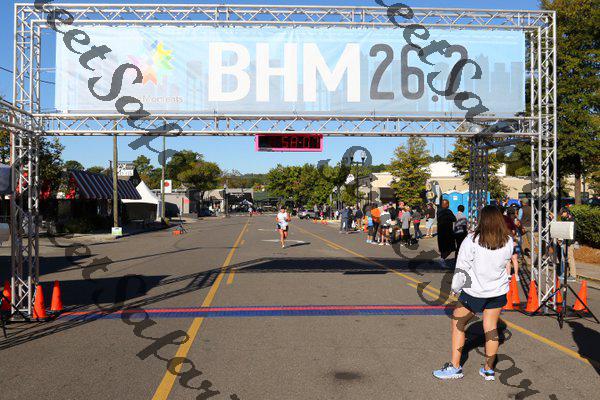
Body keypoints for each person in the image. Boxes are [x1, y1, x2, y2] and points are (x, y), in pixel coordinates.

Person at [433, 205, 514, 381]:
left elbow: (462, 267)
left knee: (458, 322)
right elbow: (507, 263)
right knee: (491, 328)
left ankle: (455, 366)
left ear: (481, 220)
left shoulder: (472, 240)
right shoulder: (508, 240)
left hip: (475, 291)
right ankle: (488, 369)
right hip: (497, 290)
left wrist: (455, 288)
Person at [437, 200, 456, 265]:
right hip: (447, 232)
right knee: (449, 248)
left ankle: (442, 259)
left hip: (440, 231)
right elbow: (454, 219)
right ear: (447, 204)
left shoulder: (439, 211)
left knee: (443, 248)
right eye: (448, 204)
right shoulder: (448, 211)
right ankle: (442, 259)